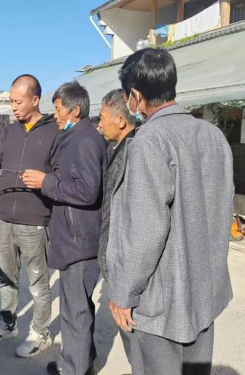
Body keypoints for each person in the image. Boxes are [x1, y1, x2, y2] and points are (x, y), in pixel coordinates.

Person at [106, 49, 234, 375]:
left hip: (163, 300)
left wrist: (123, 293)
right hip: (204, 288)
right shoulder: (213, 135)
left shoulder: (150, 140)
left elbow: (145, 230)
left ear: (136, 96)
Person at [0, 74, 59, 358]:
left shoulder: (55, 131)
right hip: (5, 220)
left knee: (38, 284)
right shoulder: (9, 131)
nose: (13, 107)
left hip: (35, 221)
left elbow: (62, 174)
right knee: (6, 278)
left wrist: (43, 180)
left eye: (18, 102)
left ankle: (41, 333)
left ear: (35, 99)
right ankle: (8, 325)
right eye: (11, 102)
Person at [22, 82, 107, 375]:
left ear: (75, 110)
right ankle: (82, 361)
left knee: (75, 314)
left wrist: (45, 182)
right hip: (76, 237)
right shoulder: (76, 137)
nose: (55, 114)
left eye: (58, 109)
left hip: (79, 241)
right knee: (79, 309)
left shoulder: (85, 141)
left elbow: (86, 191)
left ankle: (74, 369)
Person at [97, 89, 143, 374]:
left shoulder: (135, 153)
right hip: (115, 259)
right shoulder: (116, 147)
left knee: (135, 335)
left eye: (103, 118)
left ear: (121, 122)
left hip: (126, 262)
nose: (99, 124)